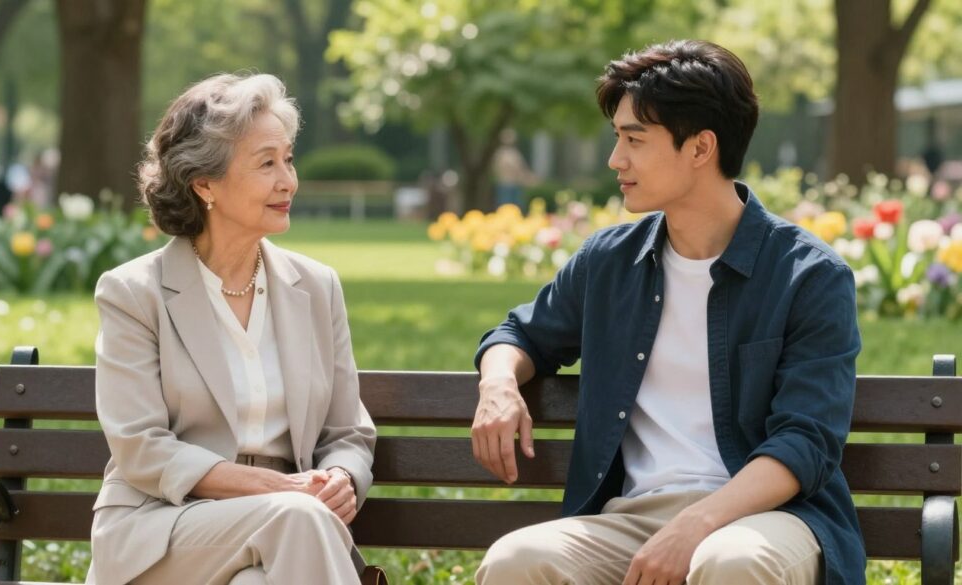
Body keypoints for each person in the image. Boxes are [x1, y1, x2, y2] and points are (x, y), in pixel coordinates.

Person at [470, 40, 863, 585]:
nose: (616, 160)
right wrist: (499, 385)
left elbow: (806, 441)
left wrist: (696, 525)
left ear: (701, 148)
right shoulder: (609, 261)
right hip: (632, 518)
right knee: (517, 563)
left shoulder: (809, 275)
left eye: (635, 139)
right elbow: (520, 334)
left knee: (730, 563)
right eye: (617, 138)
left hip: (769, 520)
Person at [86, 73, 376, 585]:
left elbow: (347, 431)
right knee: (297, 518)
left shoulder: (317, 286)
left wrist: (342, 476)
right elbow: (140, 448)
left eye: (288, 159)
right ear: (205, 184)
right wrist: (278, 489)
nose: (288, 180)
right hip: (161, 528)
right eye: (266, 163)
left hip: (285, 535)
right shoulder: (133, 292)